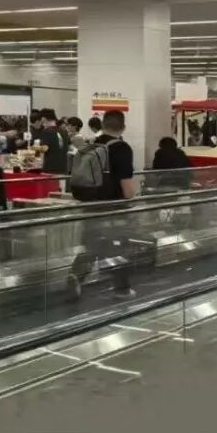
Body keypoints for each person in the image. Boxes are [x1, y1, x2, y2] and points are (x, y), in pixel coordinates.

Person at [68, 110, 136, 300]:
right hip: (113, 208)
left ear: (103, 124)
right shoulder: (121, 148)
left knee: (92, 244)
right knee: (119, 247)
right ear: (123, 127)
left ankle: (76, 276)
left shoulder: (91, 144)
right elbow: (128, 190)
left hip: (90, 204)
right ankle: (122, 289)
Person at [37, 108, 70, 174]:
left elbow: (44, 148)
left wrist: (35, 148)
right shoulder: (64, 131)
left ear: (43, 119)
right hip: (63, 167)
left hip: (50, 168)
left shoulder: (46, 131)